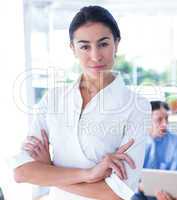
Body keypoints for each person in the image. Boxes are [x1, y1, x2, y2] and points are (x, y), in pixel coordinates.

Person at [12, 5, 151, 200]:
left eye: (103, 44)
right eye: (85, 46)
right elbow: (21, 173)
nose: (95, 56)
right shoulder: (53, 99)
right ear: (73, 49)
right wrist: (89, 174)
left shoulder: (137, 106)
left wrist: (49, 171)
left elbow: (117, 193)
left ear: (116, 43)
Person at [132, 101, 177, 200]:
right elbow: (128, 178)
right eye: (159, 120)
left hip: (167, 194)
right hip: (138, 192)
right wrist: (140, 187)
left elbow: (176, 177)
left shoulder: (176, 143)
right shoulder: (134, 142)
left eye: (166, 119)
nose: (165, 124)